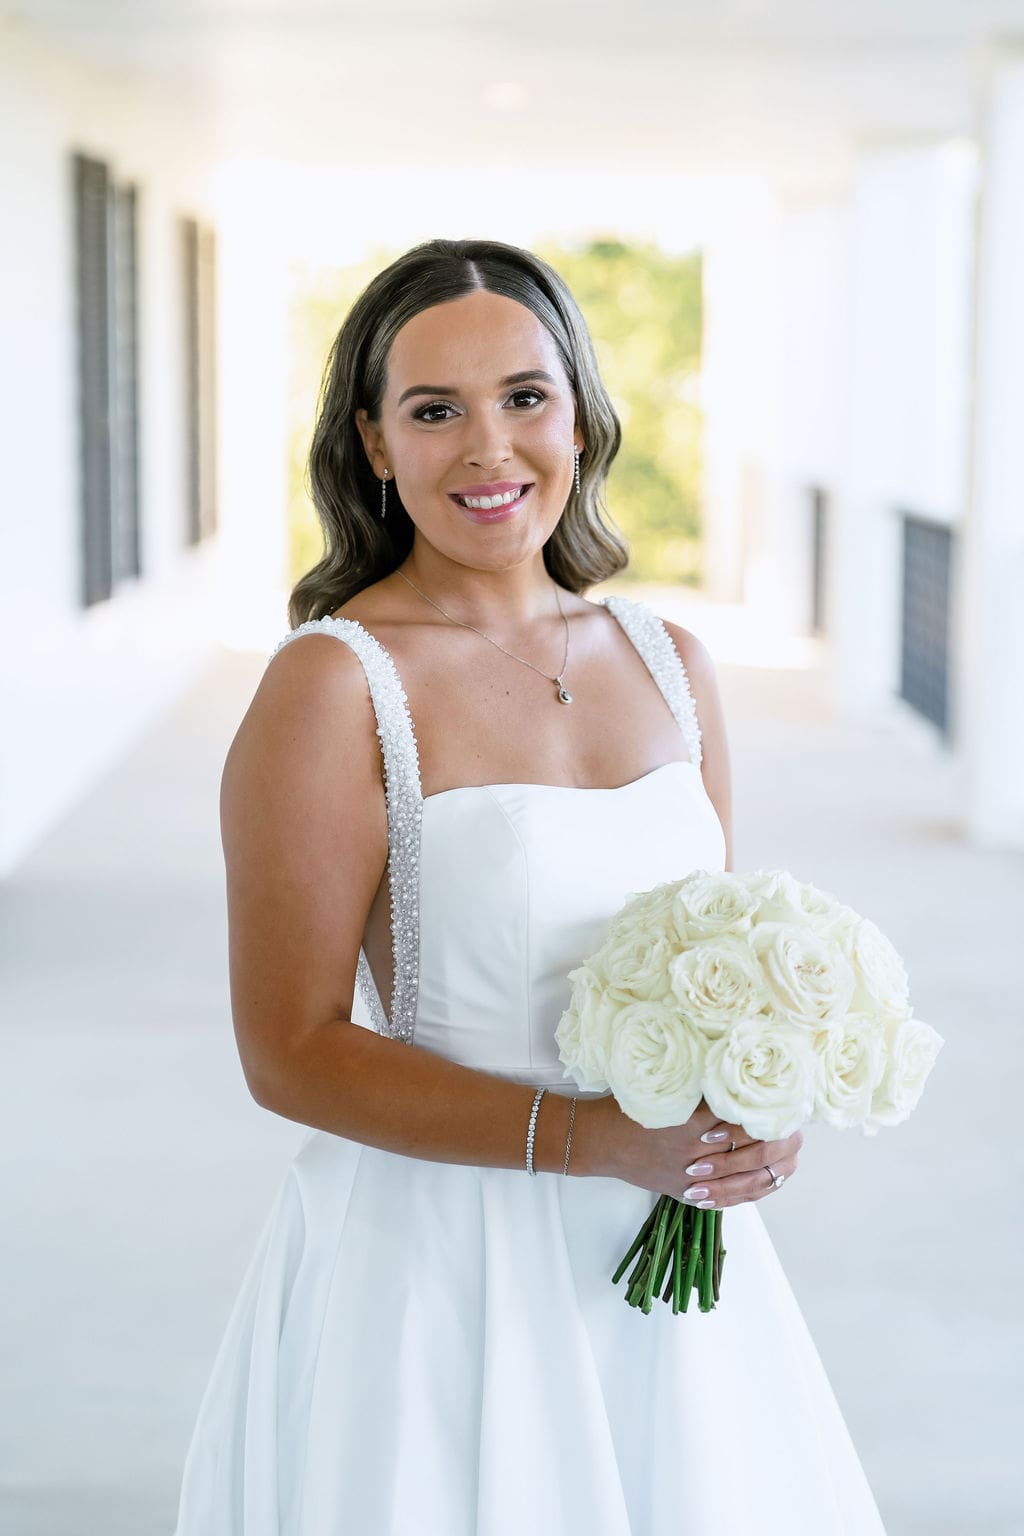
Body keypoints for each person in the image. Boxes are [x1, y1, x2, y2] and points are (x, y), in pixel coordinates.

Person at [173, 237, 887, 1534]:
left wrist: (760, 1105)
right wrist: (592, 1139)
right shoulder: (336, 686)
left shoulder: (671, 661)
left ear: (582, 412)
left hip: (672, 1280)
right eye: (434, 411)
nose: (489, 450)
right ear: (376, 445)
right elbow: (288, 1051)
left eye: (524, 398)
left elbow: (715, 951)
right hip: (441, 1274)